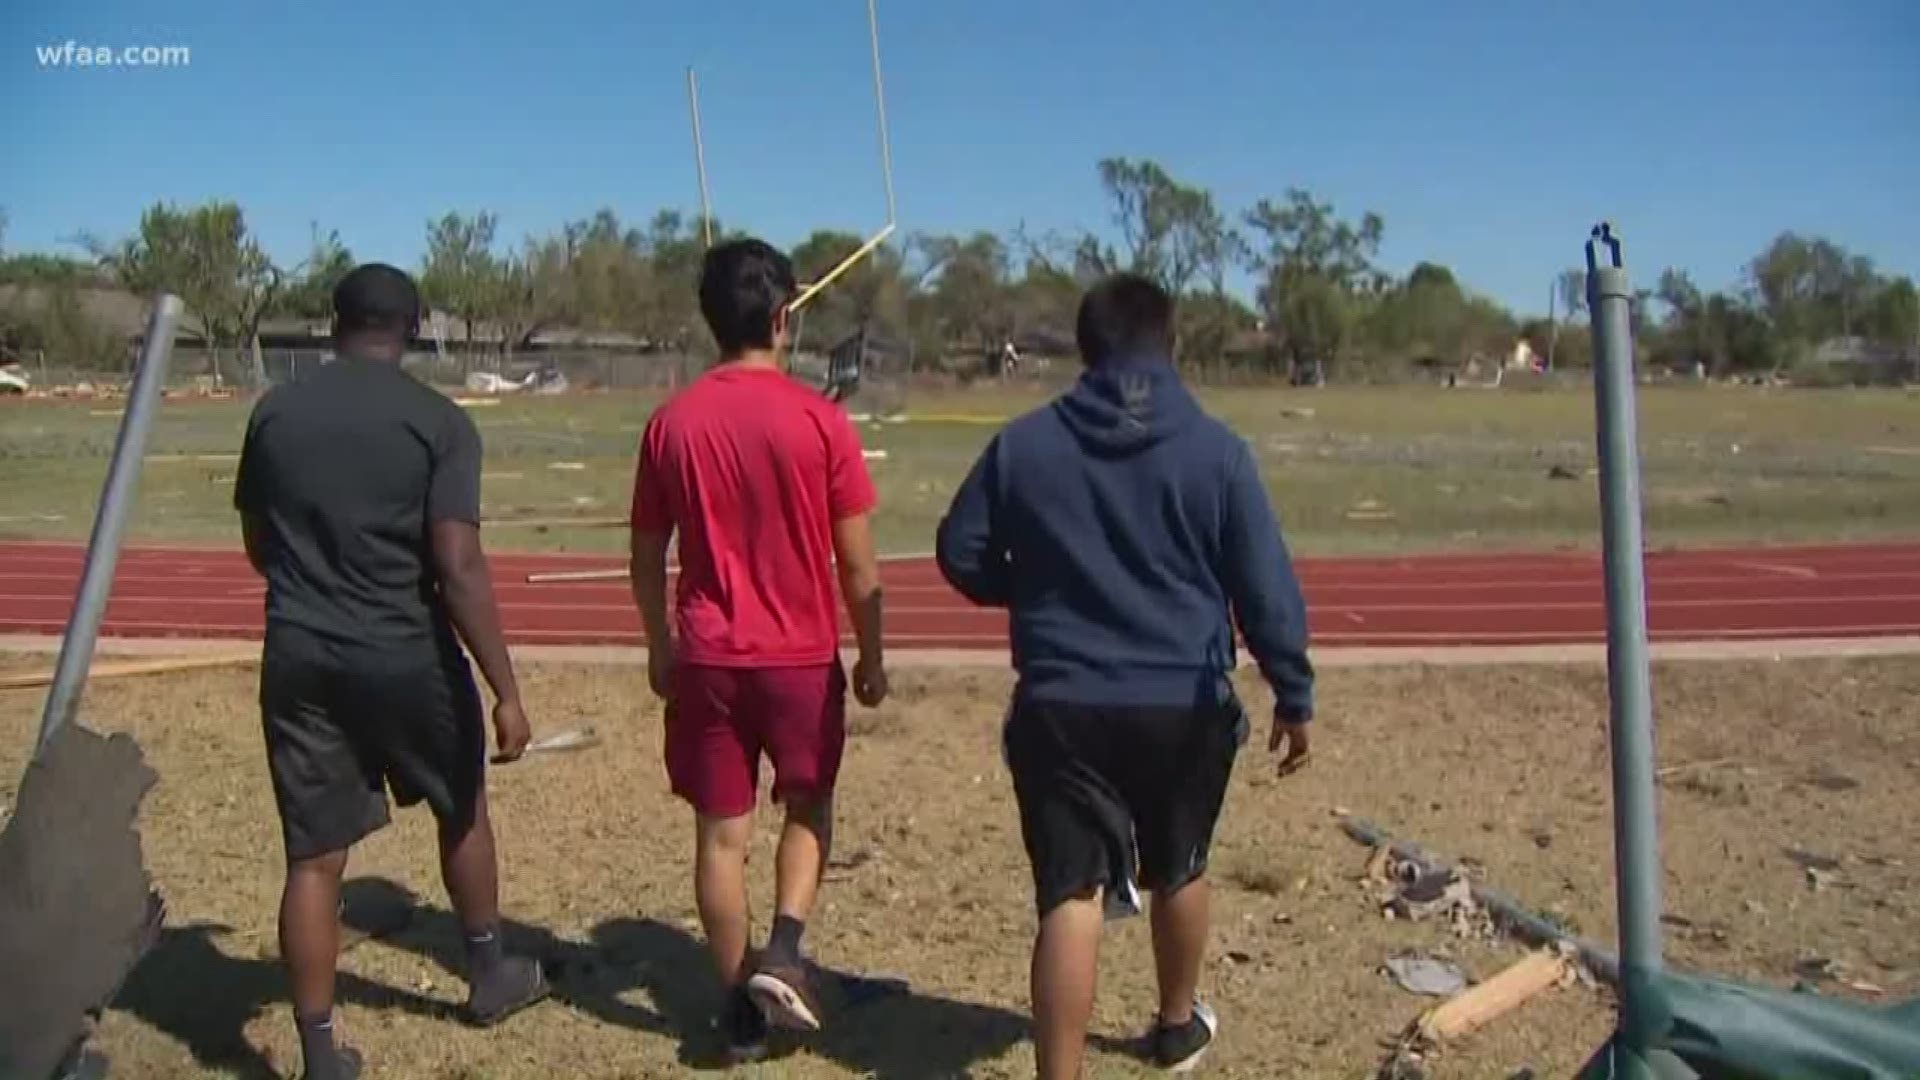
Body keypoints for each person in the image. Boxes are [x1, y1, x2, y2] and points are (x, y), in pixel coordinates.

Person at [935, 273, 1315, 1078]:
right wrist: (1293, 691)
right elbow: (1265, 588)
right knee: (1179, 865)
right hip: (1183, 700)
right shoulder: (1217, 453)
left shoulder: (1024, 445)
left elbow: (958, 550)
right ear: (1170, 347)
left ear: (1085, 349)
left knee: (1069, 895)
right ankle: (1176, 1024)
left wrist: (1033, 590)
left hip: (1062, 702)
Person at [234, 263, 549, 1080]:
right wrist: (505, 689)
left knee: (312, 858)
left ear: (335, 322)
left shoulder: (273, 414)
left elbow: (259, 546)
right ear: (411, 328)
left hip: (300, 654)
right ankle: (488, 975)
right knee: (461, 805)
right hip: (406, 650)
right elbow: (458, 564)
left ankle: (317, 1053)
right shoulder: (439, 423)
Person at [628, 237, 889, 1062]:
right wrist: (872, 653)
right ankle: (782, 949)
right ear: (782, 319)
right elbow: (857, 562)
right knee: (808, 806)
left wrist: (658, 643)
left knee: (720, 835)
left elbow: (645, 553)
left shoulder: (671, 423)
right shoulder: (821, 422)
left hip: (707, 656)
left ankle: (740, 998)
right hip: (798, 660)